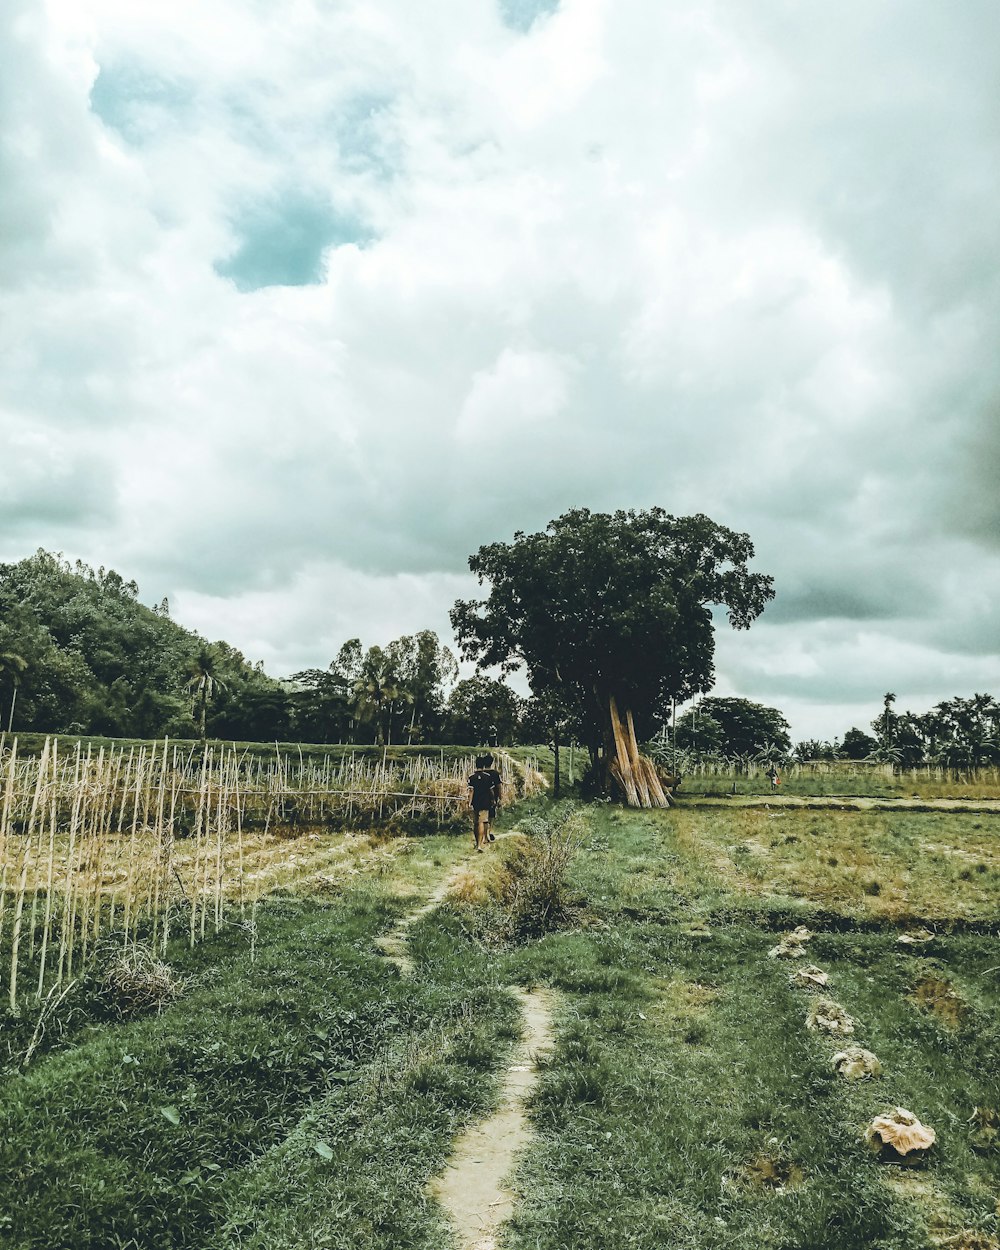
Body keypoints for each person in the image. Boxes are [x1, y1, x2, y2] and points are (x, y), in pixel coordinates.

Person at [467, 753, 502, 851]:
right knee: (483, 821)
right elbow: (492, 790)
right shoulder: (489, 776)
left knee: (476, 823)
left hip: (475, 802)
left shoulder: (471, 777)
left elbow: (471, 791)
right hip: (485, 802)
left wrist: (469, 803)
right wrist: (494, 799)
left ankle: (477, 841)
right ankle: (480, 843)